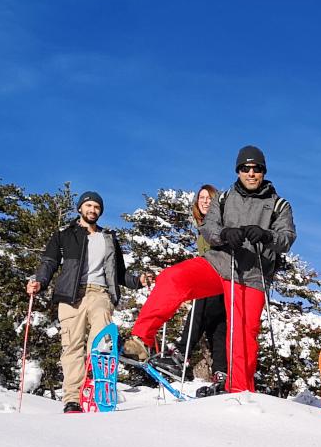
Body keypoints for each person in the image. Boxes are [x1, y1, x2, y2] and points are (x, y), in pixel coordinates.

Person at [123, 145, 296, 395]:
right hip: (219, 263)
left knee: (242, 334)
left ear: (263, 171)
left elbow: (287, 237)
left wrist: (267, 235)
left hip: (252, 275)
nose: (250, 173)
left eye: (256, 169)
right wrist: (224, 233)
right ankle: (141, 339)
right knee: (173, 278)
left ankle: (237, 389)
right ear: (238, 171)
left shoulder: (279, 205)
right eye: (245, 168)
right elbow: (208, 227)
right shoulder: (223, 199)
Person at [27, 191, 152, 414]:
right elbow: (49, 262)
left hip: (100, 293)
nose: (92, 210)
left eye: (96, 207)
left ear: (100, 212)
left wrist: (138, 281)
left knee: (101, 342)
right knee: (72, 347)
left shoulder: (109, 239)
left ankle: (97, 386)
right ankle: (72, 399)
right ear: (80, 209)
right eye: (89, 206)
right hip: (70, 296)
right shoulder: (64, 235)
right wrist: (40, 282)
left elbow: (120, 273)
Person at [178, 184, 227, 383]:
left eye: (209, 198)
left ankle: (181, 354)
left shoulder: (217, 224)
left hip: (217, 276)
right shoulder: (202, 227)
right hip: (216, 279)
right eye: (202, 198)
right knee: (217, 326)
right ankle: (221, 370)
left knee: (198, 314)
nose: (205, 201)